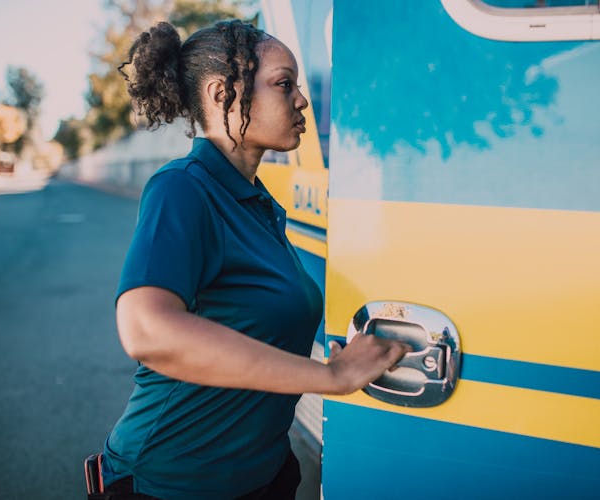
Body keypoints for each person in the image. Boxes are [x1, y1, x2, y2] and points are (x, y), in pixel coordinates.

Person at [100, 19, 408, 500]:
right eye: (284, 84)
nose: (302, 100)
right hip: (171, 482)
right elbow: (146, 329)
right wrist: (333, 377)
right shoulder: (183, 187)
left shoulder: (258, 203)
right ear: (222, 93)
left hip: (261, 476)